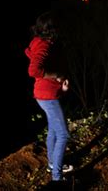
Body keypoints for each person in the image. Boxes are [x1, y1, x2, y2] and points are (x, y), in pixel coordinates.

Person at [25, 11, 73, 182]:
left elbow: (47, 70)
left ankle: (53, 164)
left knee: (53, 129)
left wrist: (60, 81)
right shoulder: (45, 45)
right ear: (52, 30)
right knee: (63, 134)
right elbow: (34, 70)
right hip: (47, 96)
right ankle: (57, 178)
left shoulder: (39, 42)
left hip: (44, 94)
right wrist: (56, 75)